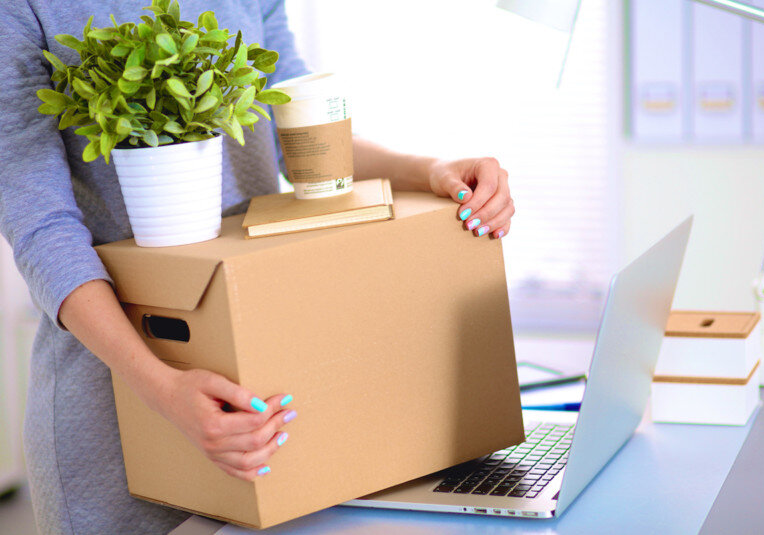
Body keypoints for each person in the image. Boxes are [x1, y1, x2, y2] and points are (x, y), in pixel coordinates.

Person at [0, 1, 514, 533]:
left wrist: (428, 170)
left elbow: (300, 137)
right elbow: (44, 232)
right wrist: (163, 388)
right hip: (117, 386)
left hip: (261, 359)